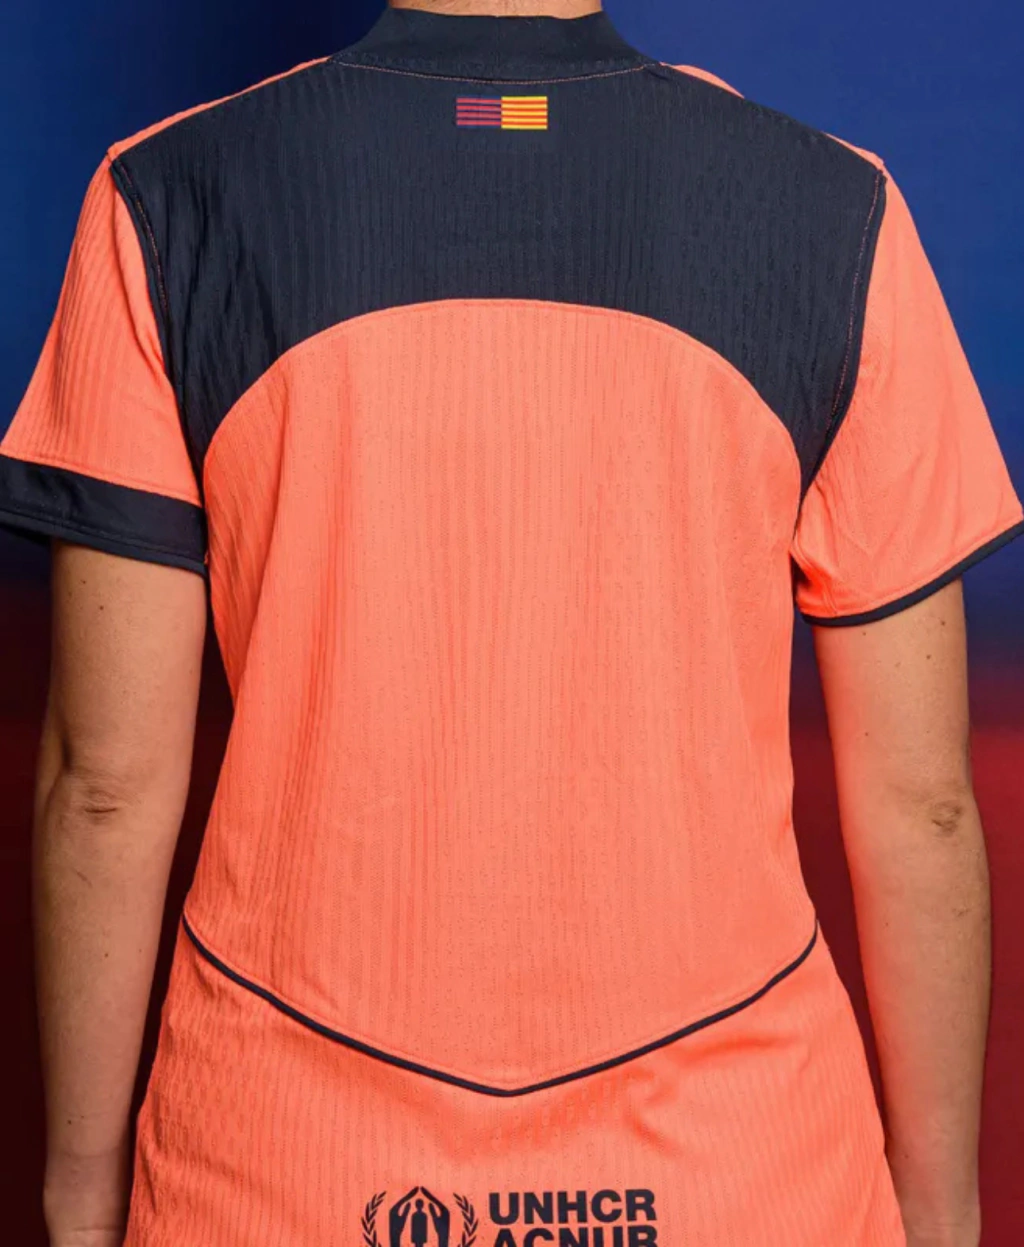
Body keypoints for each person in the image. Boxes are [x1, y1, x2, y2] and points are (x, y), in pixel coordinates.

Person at [1, 1, 1020, 1245]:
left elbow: (105, 785)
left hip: (281, 1162)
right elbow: (922, 802)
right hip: (743, 1163)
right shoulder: (831, 206)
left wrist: (80, 1190)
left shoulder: (170, 194)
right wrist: (940, 1205)